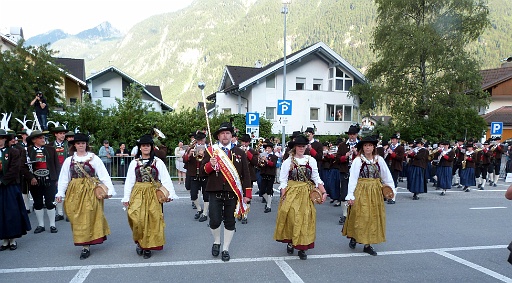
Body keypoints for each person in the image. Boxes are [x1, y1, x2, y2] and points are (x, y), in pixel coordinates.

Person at [56, 133, 116, 260]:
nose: (81, 145)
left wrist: (109, 190)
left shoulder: (94, 159)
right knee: (76, 217)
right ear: (75, 145)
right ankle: (83, 241)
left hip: (91, 191)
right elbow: (64, 178)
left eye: (83, 143)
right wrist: (60, 192)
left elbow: (104, 175)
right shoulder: (69, 160)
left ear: (86, 144)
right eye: (78, 143)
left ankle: (86, 246)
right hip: (74, 191)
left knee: (89, 215)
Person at [200, 122, 251, 262]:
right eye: (222, 133)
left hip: (232, 192)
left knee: (230, 221)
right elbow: (202, 172)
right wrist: (211, 164)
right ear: (218, 136)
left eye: (228, 133)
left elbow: (246, 174)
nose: (225, 135)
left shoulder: (239, 152)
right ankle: (217, 241)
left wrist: (248, 195)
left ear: (231, 136)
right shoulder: (211, 151)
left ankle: (225, 248)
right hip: (214, 190)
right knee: (215, 220)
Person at [122, 134, 178, 259]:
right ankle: (140, 242)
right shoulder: (134, 163)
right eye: (143, 145)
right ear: (140, 148)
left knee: (152, 220)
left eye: (148, 145)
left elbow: (166, 179)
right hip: (137, 192)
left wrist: (171, 193)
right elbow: (129, 181)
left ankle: (147, 247)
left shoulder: (158, 162)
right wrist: (126, 197)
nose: (145, 147)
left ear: (151, 147)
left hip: (153, 193)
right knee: (137, 219)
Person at [273, 134, 326, 260]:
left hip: (306, 193)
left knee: (305, 219)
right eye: (299, 146)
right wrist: (283, 196)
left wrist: (324, 192)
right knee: (292, 217)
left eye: (303, 146)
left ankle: (302, 247)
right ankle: (292, 241)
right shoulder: (288, 162)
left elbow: (316, 178)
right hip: (292, 192)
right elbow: (283, 181)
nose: (301, 148)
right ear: (295, 147)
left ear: (306, 147)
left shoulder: (311, 160)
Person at [342, 136, 395, 256]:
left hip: (375, 191)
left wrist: (391, 191)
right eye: (365, 145)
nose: (368, 148)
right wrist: (350, 195)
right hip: (361, 189)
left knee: (372, 217)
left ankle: (367, 244)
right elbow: (353, 178)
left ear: (373, 147)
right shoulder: (358, 161)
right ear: (362, 147)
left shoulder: (379, 160)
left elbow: (386, 176)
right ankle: (355, 236)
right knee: (360, 215)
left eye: (370, 145)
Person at [0, 129, 32, 251]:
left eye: (1, 138)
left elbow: (15, 169)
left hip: (10, 186)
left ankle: (12, 240)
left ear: (5, 139)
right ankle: (4, 240)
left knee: (11, 213)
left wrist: (3, 181)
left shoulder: (13, 152)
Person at [26, 130, 60, 234]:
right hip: (35, 181)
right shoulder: (27, 151)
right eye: (40, 138)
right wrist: (31, 177)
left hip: (49, 179)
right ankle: (41, 225)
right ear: (34, 140)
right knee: (38, 203)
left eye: (43, 138)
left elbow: (56, 165)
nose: (43, 140)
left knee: (50, 202)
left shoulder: (51, 149)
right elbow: (24, 167)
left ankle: (52, 225)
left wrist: (57, 178)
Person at [336, 124, 360, 225]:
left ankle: (355, 213)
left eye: (353, 134)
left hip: (357, 172)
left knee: (356, 192)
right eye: (350, 134)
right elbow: (337, 159)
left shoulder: (361, 145)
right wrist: (345, 156)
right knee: (344, 192)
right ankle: (345, 214)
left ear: (356, 134)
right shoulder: (342, 145)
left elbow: (365, 158)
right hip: (345, 170)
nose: (352, 136)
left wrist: (356, 153)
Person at [184, 132, 209, 222]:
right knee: (193, 195)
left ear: (204, 140)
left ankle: (205, 213)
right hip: (194, 174)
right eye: (198, 141)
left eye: (201, 141)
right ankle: (199, 209)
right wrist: (189, 154)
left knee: (206, 195)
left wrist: (204, 155)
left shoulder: (209, 149)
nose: (200, 143)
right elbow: (184, 159)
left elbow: (212, 160)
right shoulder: (191, 148)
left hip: (205, 174)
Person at [49, 126, 70, 222]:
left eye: (63, 133)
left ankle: (68, 213)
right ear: (55, 134)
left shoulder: (69, 145)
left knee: (69, 192)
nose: (62, 135)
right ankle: (60, 213)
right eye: (60, 133)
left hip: (67, 171)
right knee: (57, 192)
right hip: (55, 171)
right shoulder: (50, 145)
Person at [239, 134, 259, 224]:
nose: (244, 144)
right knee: (238, 195)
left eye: (246, 142)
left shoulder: (252, 151)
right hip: (238, 176)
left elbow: (255, 162)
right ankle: (239, 211)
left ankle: (245, 215)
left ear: (249, 142)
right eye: (243, 142)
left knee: (247, 196)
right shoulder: (236, 150)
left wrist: (247, 153)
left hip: (249, 177)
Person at [259, 140, 278, 213]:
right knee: (262, 191)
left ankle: (268, 206)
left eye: (269, 148)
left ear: (272, 149)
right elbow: (260, 165)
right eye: (266, 148)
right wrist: (260, 161)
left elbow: (273, 164)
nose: (267, 150)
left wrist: (266, 160)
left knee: (269, 190)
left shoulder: (274, 156)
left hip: (271, 174)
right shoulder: (263, 155)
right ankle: (268, 202)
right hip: (264, 174)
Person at [386, 134, 404, 204]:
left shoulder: (400, 148)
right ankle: (388, 196)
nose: (392, 141)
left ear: (397, 140)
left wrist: (392, 153)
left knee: (394, 182)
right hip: (389, 166)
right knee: (388, 182)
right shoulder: (390, 147)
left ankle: (393, 198)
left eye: (393, 139)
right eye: (392, 139)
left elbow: (401, 158)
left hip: (396, 167)